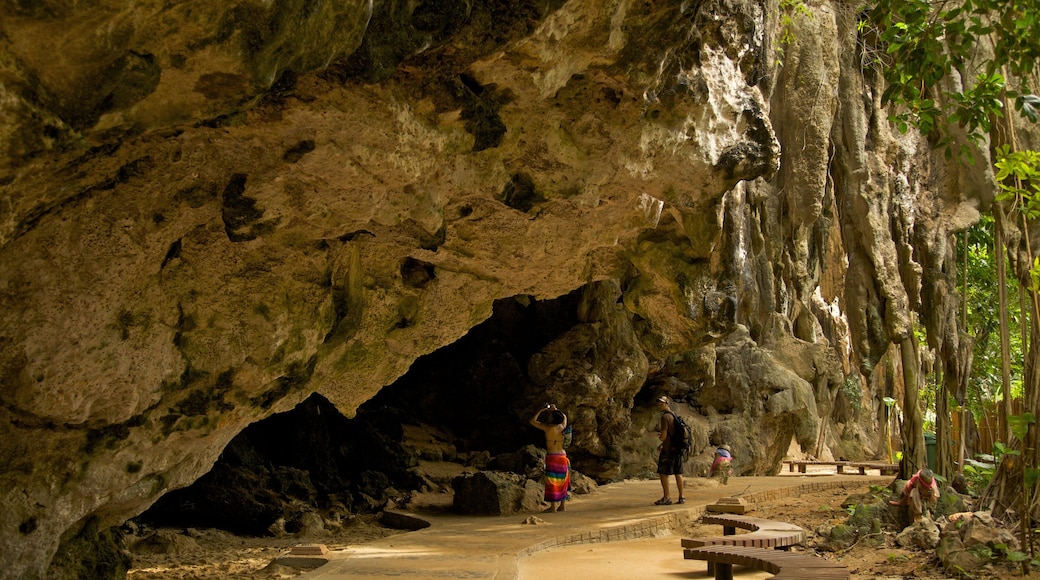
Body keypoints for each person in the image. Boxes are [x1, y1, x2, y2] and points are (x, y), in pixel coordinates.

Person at [530, 403, 570, 512]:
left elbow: (533, 421)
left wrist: (542, 410)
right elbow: (564, 417)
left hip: (552, 457)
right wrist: (556, 410)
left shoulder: (547, 428)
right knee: (563, 481)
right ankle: (562, 506)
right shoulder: (563, 426)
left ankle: (553, 507)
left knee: (552, 482)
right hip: (562, 457)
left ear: (552, 418)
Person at [654, 396, 685, 505]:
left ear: (667, 403)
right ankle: (681, 497)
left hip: (669, 450)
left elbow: (664, 436)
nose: (659, 405)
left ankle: (667, 497)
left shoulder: (665, 417)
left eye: (661, 403)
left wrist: (661, 439)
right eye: (658, 403)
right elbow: (674, 434)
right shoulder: (673, 415)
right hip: (677, 448)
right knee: (678, 472)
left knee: (663, 473)